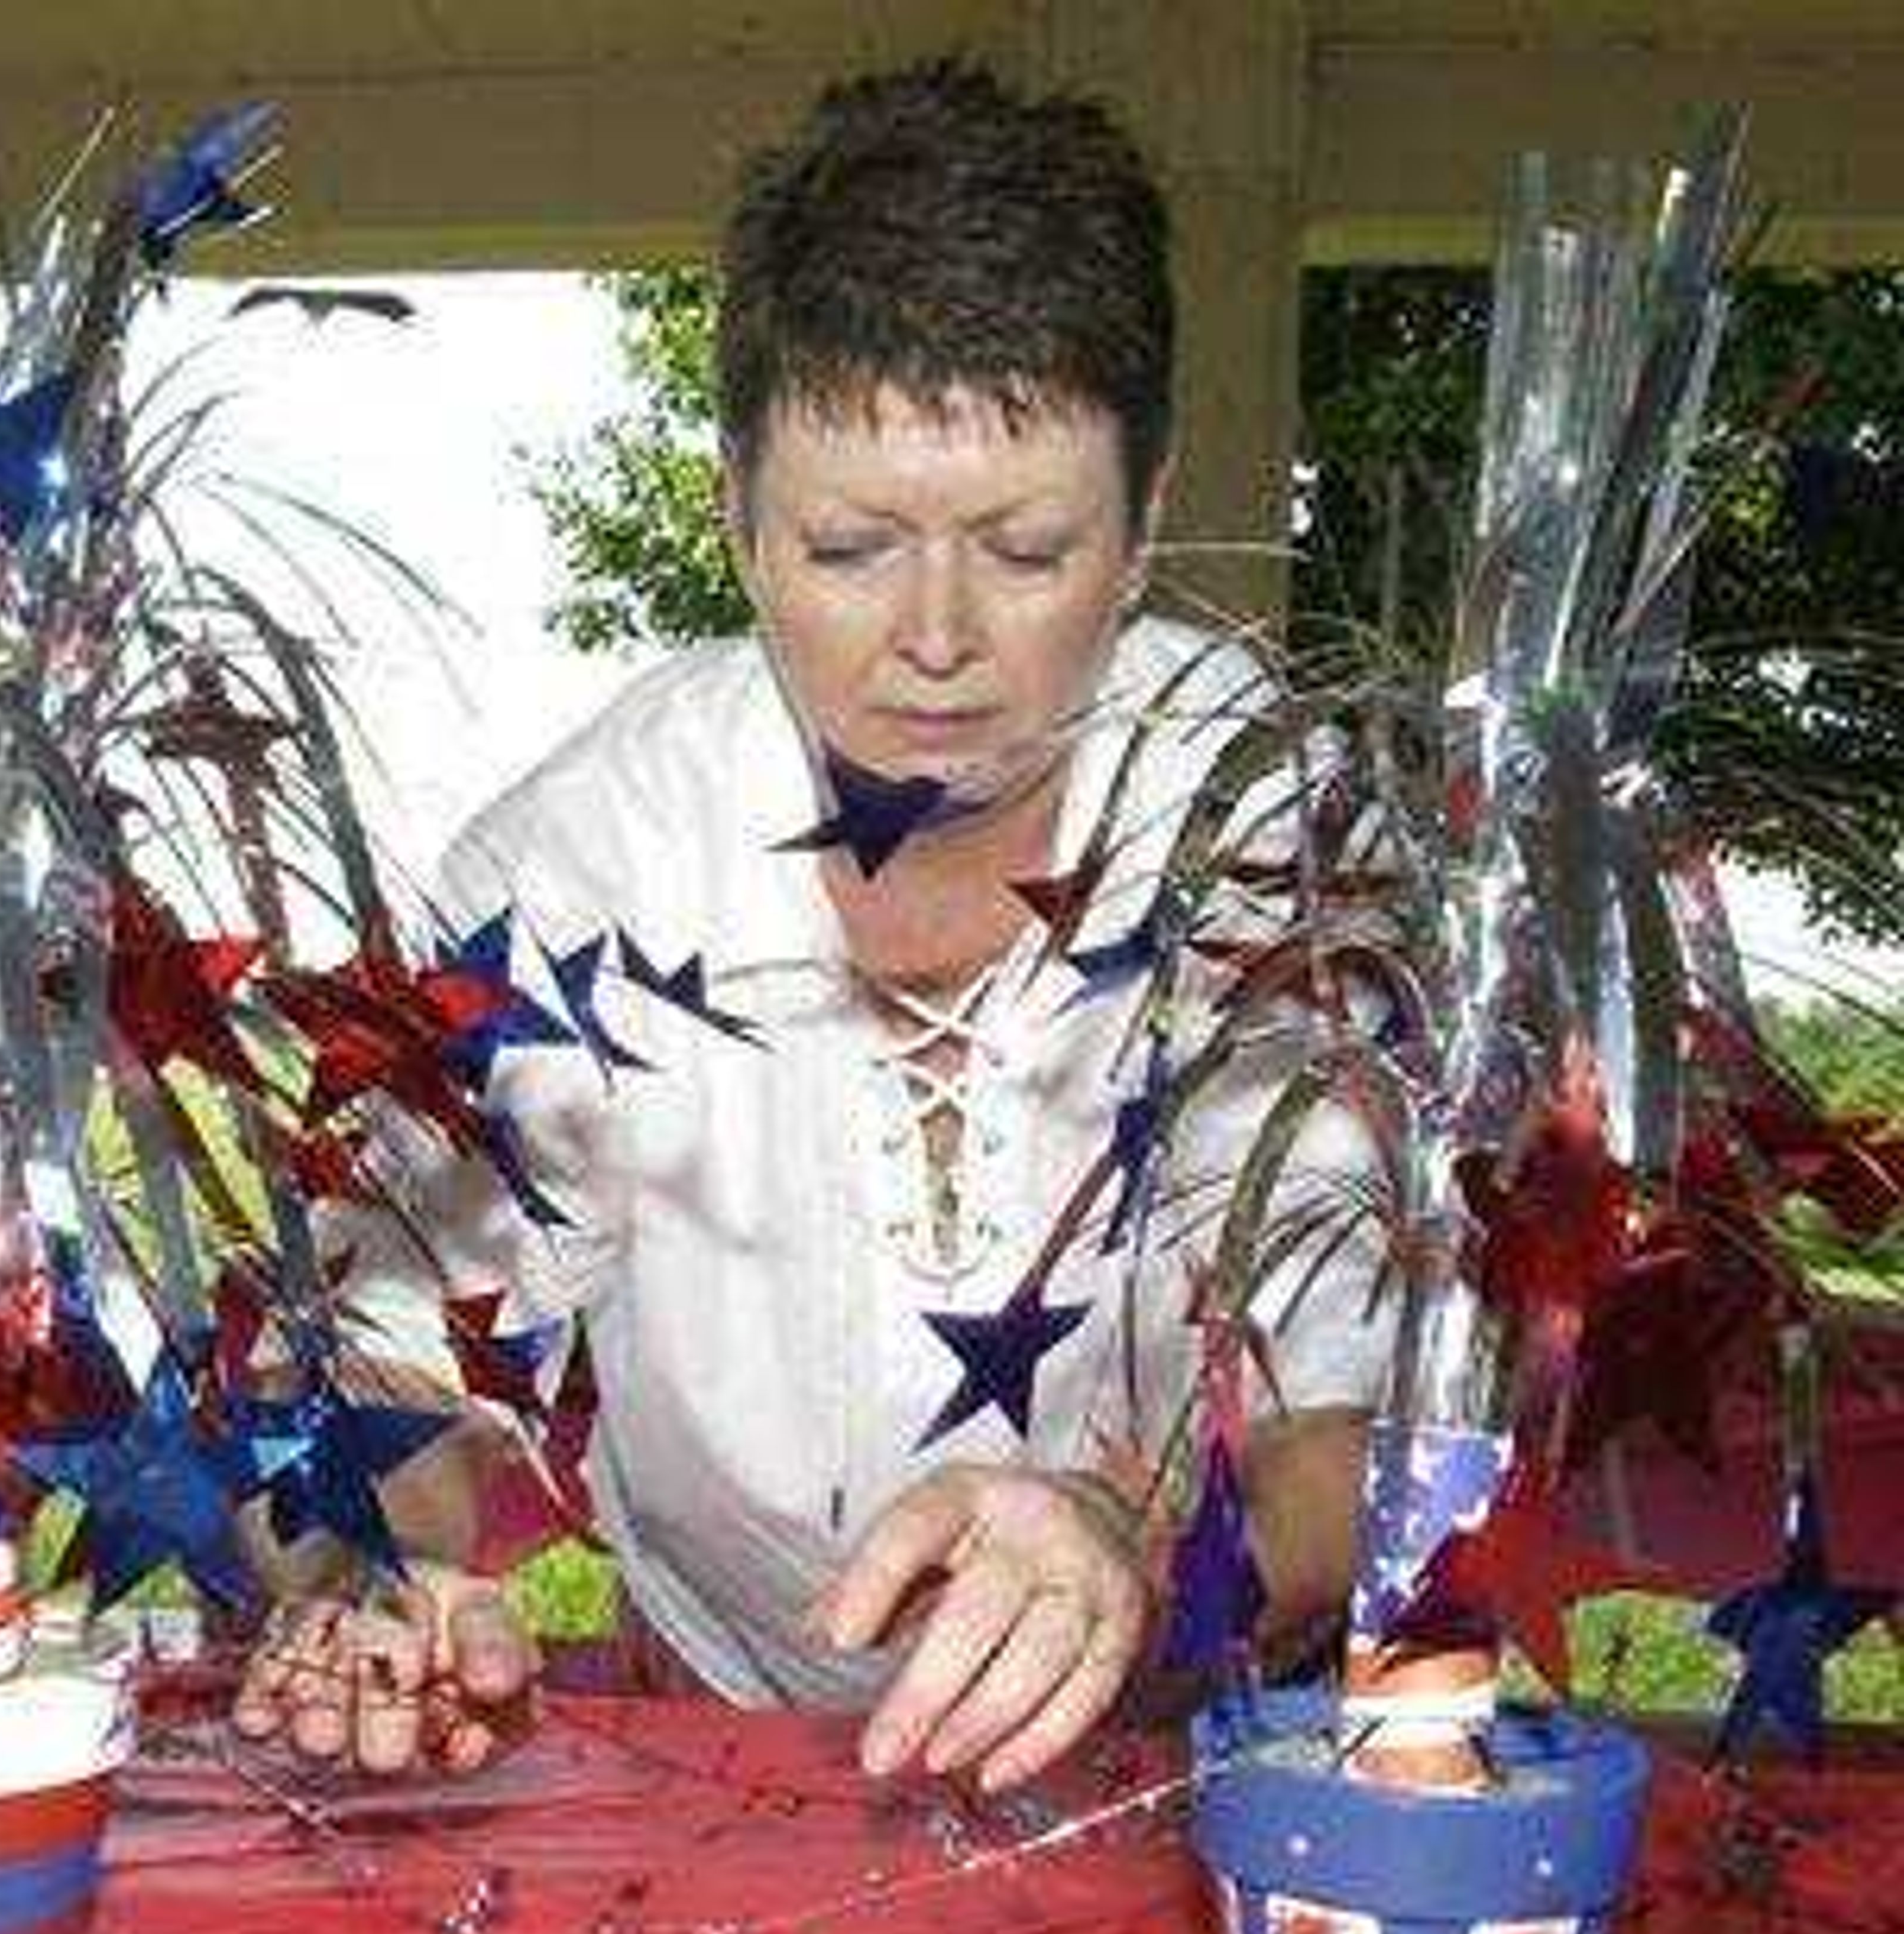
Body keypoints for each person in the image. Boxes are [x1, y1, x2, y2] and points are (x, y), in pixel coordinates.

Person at [234, 59, 1380, 1793]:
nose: (934, 638)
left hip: (1198, 1771)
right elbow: (389, 1352)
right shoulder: (576, 869)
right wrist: (382, 1575)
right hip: (726, 1755)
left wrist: (1134, 1548)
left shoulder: (1267, 840)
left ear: (1144, 530)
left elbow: (1350, 1430)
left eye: (1027, 546)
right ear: (737, 523)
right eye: (849, 546)